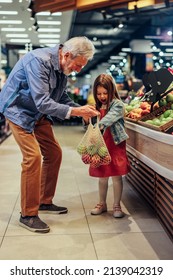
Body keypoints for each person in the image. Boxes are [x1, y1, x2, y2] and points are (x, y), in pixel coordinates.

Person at [0, 36, 99, 233]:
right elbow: (42, 102)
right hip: (17, 111)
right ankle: (28, 214)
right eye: (78, 65)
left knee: (54, 153)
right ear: (67, 55)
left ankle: (44, 201)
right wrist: (77, 112)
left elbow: (61, 98)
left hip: (37, 113)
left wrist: (82, 110)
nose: (78, 70)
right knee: (33, 157)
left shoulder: (63, 67)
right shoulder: (39, 61)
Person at [83, 74, 131, 218]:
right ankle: (102, 203)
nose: (102, 96)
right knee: (102, 176)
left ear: (112, 91)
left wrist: (99, 124)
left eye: (105, 93)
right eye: (99, 94)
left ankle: (117, 205)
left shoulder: (117, 104)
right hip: (100, 145)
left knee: (116, 176)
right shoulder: (96, 106)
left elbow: (109, 118)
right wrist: (86, 120)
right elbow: (90, 126)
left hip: (115, 144)